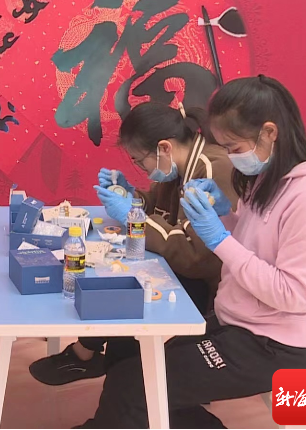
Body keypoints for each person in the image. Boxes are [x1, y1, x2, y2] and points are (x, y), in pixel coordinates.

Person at [77, 75, 306, 428]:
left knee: (135, 386)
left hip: (275, 344)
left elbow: (292, 294)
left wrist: (219, 238)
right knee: (133, 371)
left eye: (234, 147)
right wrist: (228, 213)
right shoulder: (271, 173)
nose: (229, 157)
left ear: (269, 132)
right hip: (237, 320)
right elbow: (259, 239)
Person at [30, 102, 237, 386]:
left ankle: (115, 375)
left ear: (164, 148)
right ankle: (99, 362)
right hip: (189, 267)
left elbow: (196, 256)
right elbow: (159, 207)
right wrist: (130, 195)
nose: (142, 168)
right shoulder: (181, 163)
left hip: (208, 283)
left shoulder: (213, 169)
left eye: (140, 161)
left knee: (130, 286)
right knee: (120, 274)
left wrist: (132, 215)